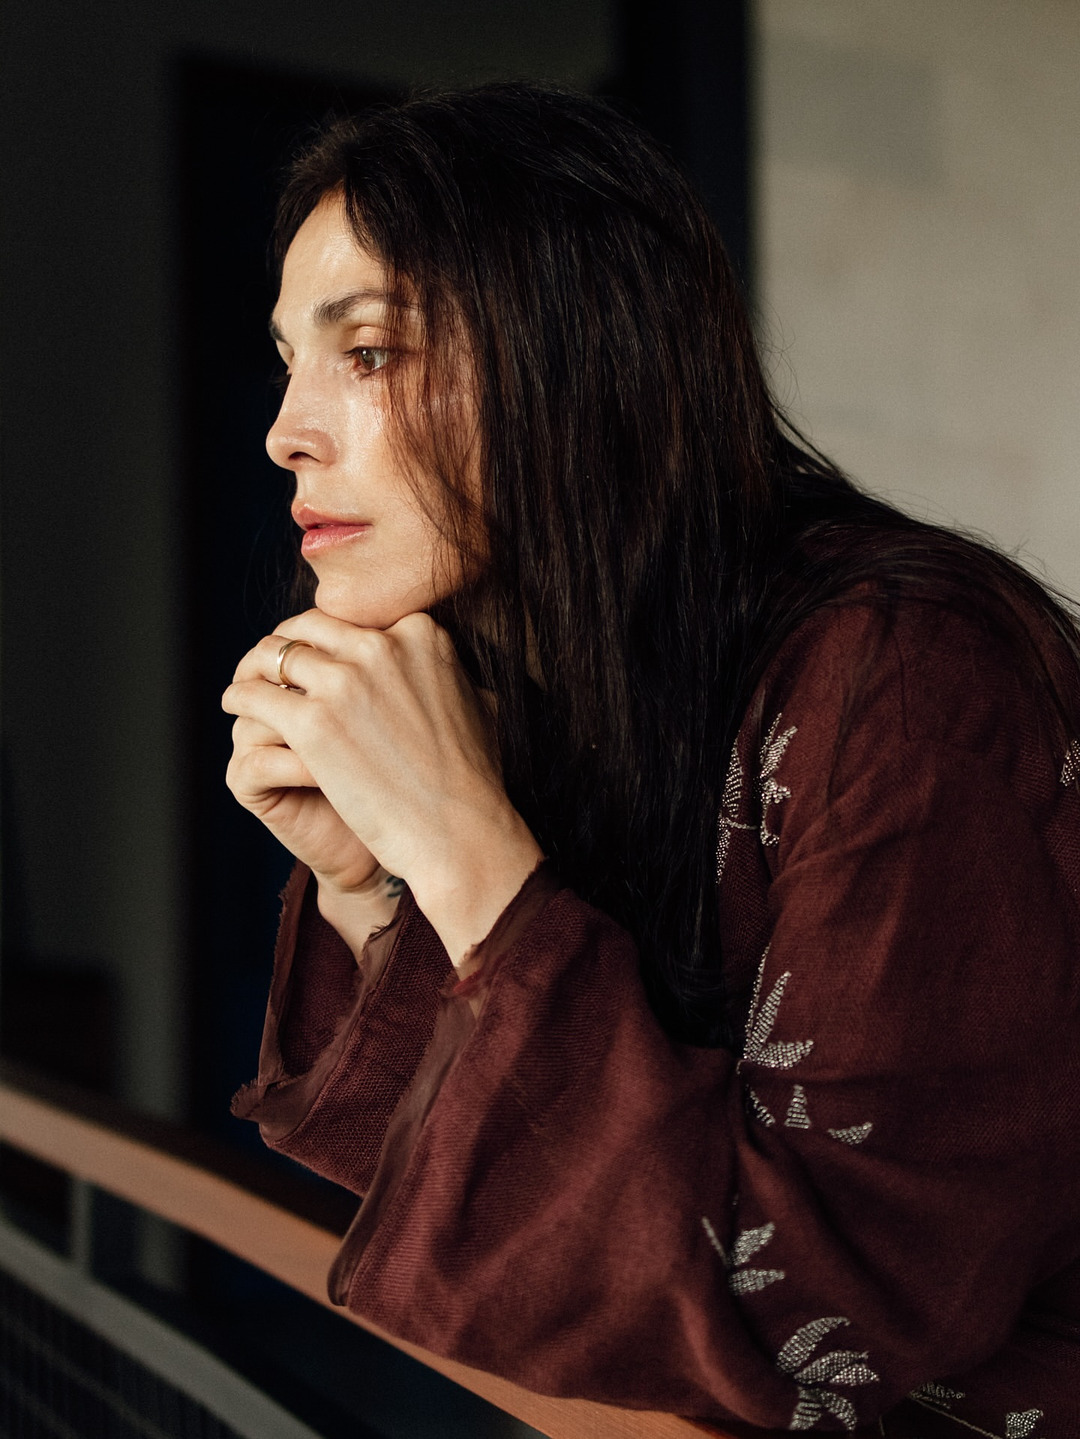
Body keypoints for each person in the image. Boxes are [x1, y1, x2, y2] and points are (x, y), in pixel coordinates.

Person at [222, 83, 1080, 1436]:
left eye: (369, 352)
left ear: (582, 357)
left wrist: (463, 850)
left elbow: (842, 1307)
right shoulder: (551, 677)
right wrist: (372, 890)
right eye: (289, 360)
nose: (286, 430)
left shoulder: (903, 668)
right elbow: (507, 1223)